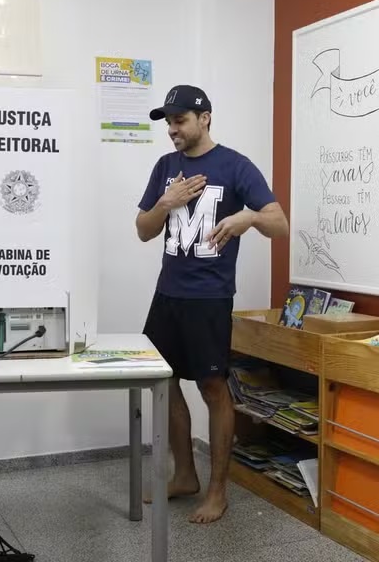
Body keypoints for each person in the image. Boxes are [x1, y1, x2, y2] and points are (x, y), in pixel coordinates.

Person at [135, 84, 288, 524]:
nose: (172, 129)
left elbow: (279, 224)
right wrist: (166, 203)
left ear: (205, 118)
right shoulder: (166, 167)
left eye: (179, 120)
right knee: (162, 383)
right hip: (168, 295)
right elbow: (144, 230)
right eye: (168, 121)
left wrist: (249, 217)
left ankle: (218, 490)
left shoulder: (235, 166)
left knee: (213, 389)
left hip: (209, 299)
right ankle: (184, 475)